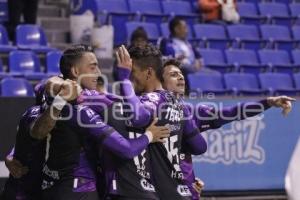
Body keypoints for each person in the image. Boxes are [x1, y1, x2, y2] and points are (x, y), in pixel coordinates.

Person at [28, 44, 170, 200]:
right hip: (78, 188)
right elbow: (126, 148)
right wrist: (150, 135)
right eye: (93, 67)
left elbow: (41, 90)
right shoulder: (81, 111)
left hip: (51, 184)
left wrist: (56, 83)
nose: (99, 73)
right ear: (76, 71)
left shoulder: (52, 96)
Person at [160, 58, 295, 199]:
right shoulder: (149, 111)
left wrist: (268, 102)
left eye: (181, 74)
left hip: (187, 193)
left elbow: (232, 112)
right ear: (160, 82)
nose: (181, 76)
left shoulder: (193, 112)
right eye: (173, 74)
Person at [116, 43, 208, 200]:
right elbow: (199, 146)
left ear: (149, 73)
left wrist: (123, 79)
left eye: (133, 73)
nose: (132, 79)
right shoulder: (178, 104)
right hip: (182, 191)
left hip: (162, 192)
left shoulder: (151, 99)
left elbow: (139, 117)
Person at [1, 78, 80, 200]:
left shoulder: (73, 114)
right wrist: (11, 156)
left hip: (48, 186)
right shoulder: (35, 113)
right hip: (25, 188)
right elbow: (33, 136)